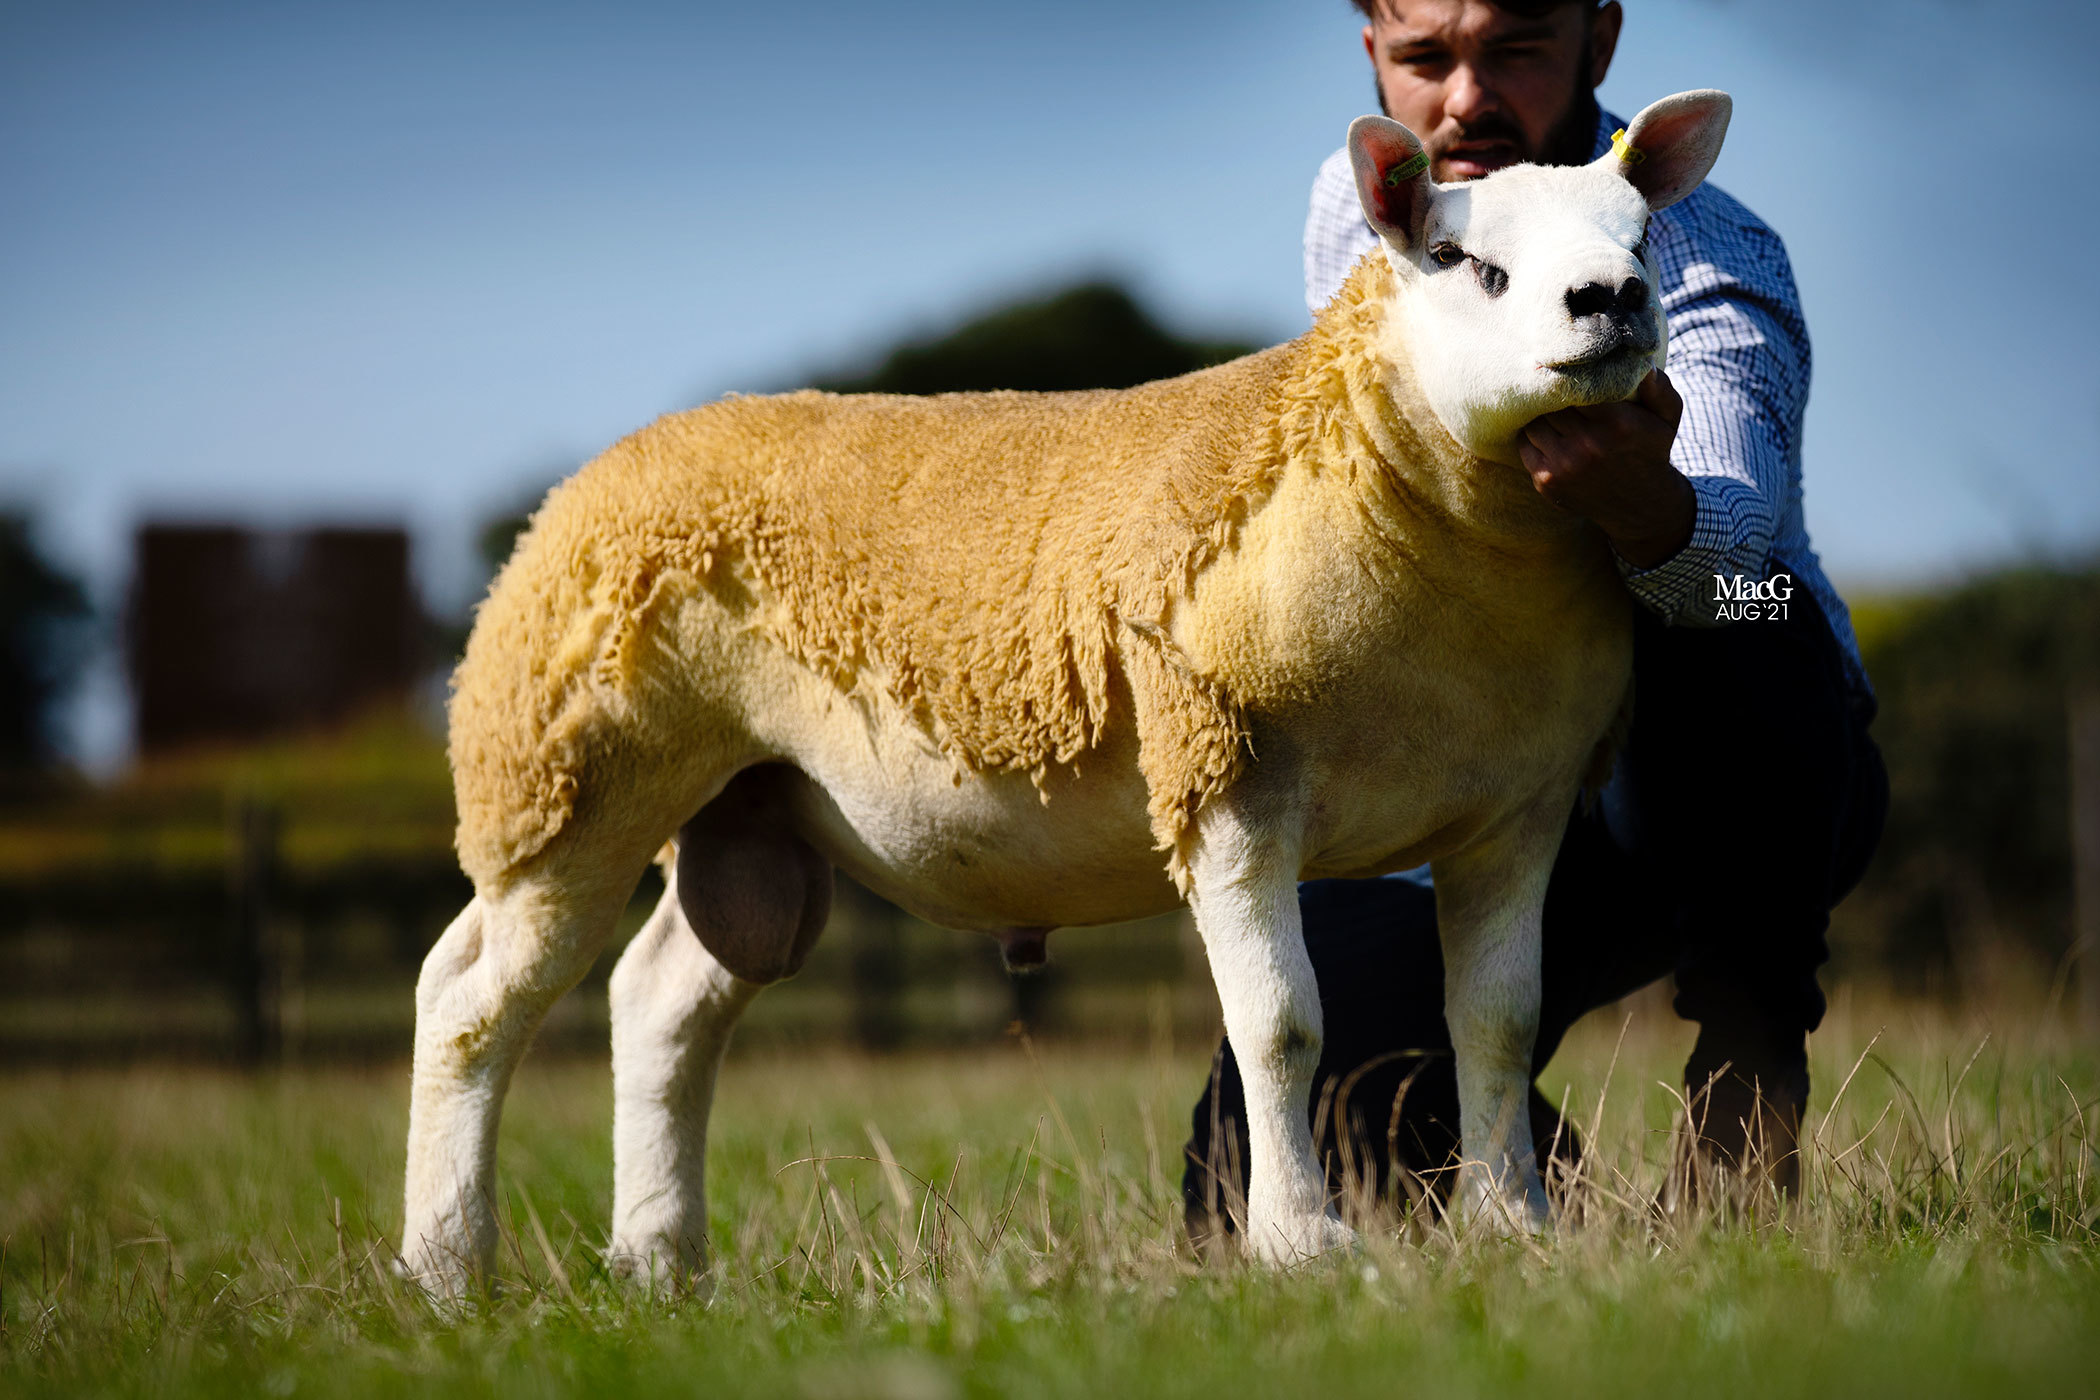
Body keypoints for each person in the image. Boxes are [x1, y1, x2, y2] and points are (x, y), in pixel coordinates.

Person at [1182, 0, 1888, 1241]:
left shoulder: (1707, 253)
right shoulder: (1370, 208)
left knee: (1745, 605)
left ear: (1600, 44)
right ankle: (1527, 1171)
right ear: (1373, 62)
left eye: (1513, 49)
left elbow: (1737, 528)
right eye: (1424, 58)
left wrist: (1647, 513)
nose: (1466, 100)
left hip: (1697, 761)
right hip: (1458, 753)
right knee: (1253, 1168)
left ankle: (1749, 1065)